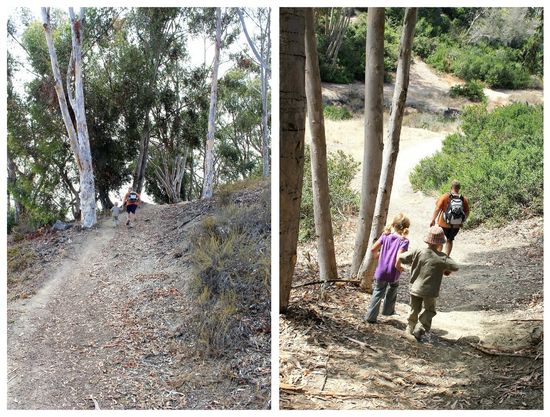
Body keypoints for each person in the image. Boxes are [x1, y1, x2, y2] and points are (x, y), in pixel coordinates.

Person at [398, 225, 459, 341]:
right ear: (440, 243)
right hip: (431, 291)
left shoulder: (418, 251)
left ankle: (409, 328)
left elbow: (402, 257)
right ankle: (421, 328)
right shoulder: (442, 258)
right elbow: (455, 267)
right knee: (430, 310)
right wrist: (444, 266)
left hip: (415, 288)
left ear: (427, 240)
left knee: (414, 309)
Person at [365, 213, 410, 324]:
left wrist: (377, 255)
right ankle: (388, 311)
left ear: (394, 224)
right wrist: (398, 266)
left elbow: (373, 249)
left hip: (381, 269)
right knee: (393, 286)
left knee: (378, 291)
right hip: (393, 271)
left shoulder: (385, 235)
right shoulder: (404, 241)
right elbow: (399, 256)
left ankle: (371, 317)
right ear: (406, 227)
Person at [430, 180, 470, 256]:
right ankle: (446, 257)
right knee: (450, 240)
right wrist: (462, 221)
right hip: (456, 225)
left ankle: (438, 257)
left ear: (451, 187)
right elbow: (467, 212)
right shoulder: (463, 199)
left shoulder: (445, 196)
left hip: (443, 224)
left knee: (439, 241)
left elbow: (437, 209)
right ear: (459, 188)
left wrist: (433, 220)